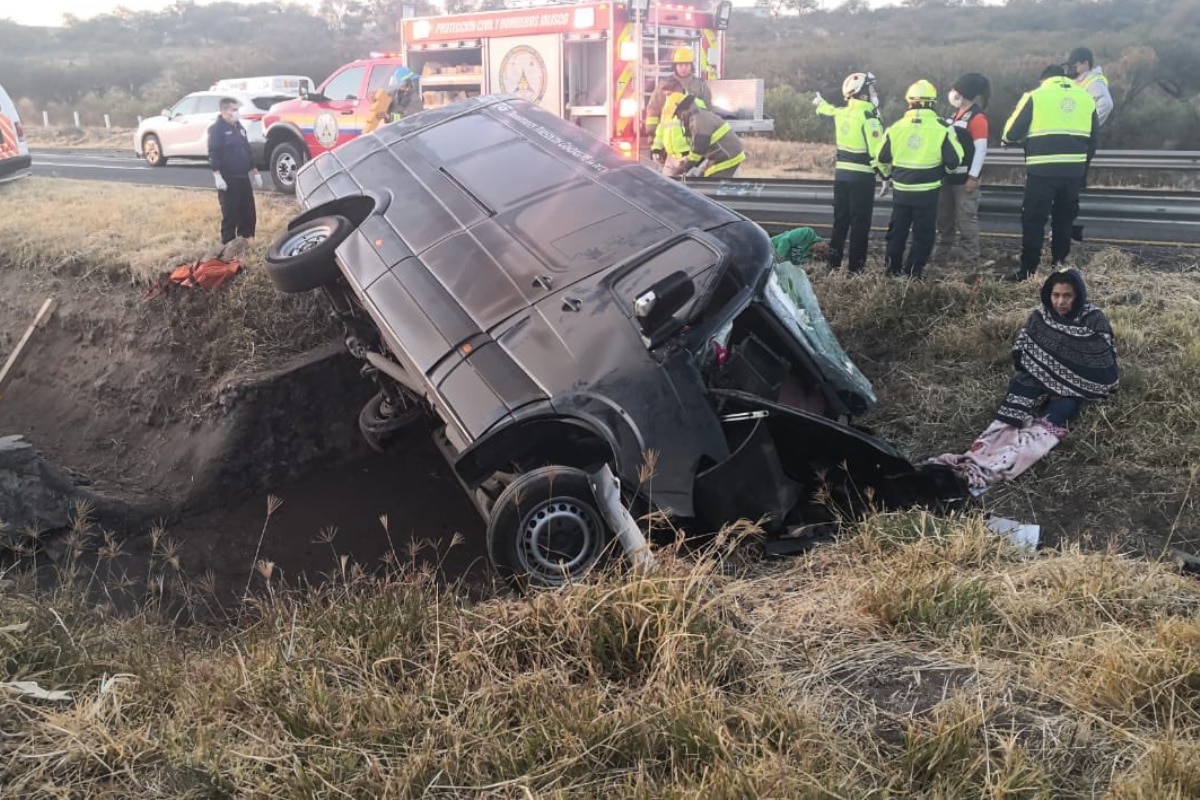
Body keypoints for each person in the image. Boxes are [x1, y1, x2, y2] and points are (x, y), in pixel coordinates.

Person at [930, 268, 1118, 494]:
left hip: (1073, 390)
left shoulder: (1093, 319)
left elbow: (1103, 365)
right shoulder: (1041, 316)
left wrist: (1065, 381)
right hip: (1038, 380)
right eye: (1055, 295)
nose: (1060, 302)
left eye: (1067, 296)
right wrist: (1045, 372)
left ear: (1078, 296)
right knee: (1015, 403)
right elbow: (1022, 351)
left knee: (1055, 417)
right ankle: (979, 459)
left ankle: (1003, 464)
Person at [1001, 65, 1098, 282]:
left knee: (1034, 220)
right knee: (1064, 220)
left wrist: (1009, 141)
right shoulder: (1085, 97)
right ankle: (1059, 266)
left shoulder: (1036, 96)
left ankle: (1028, 270)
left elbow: (1010, 133)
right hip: (1073, 171)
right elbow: (1094, 141)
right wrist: (1081, 167)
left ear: (1043, 79)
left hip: (1042, 171)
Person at [876, 79, 963, 279]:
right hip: (928, 191)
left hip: (901, 190)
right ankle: (914, 274)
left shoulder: (896, 127)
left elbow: (881, 157)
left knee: (897, 231)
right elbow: (954, 161)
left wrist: (888, 175)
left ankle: (891, 271)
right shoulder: (942, 128)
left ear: (909, 102)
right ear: (932, 103)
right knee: (923, 234)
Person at [813, 71, 885, 273]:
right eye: (871, 88)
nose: (874, 92)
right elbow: (877, 151)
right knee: (860, 226)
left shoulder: (842, 112)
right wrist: (885, 175)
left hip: (841, 175)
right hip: (862, 177)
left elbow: (826, 110)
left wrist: (819, 103)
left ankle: (832, 265)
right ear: (862, 91)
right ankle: (855, 269)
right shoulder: (869, 115)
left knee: (840, 222)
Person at [932, 72, 990, 269]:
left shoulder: (977, 117)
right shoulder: (954, 116)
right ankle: (940, 262)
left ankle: (970, 266)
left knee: (966, 224)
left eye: (955, 90)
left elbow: (981, 149)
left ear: (964, 92)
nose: (952, 94)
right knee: (944, 223)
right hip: (947, 179)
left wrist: (973, 177)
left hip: (964, 180)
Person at [207, 97, 261, 244]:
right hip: (228, 178)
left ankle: (246, 240)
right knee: (230, 213)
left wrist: (255, 171)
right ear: (224, 111)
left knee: (248, 212)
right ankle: (227, 243)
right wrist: (217, 175)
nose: (237, 113)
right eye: (234, 110)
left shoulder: (239, 127)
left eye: (237, 109)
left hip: (243, 176)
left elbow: (247, 150)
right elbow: (214, 152)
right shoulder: (217, 130)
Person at [644, 46, 712, 138]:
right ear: (675, 66)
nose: (684, 68)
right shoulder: (665, 85)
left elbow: (708, 109)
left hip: (693, 135)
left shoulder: (700, 85)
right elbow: (653, 108)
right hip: (669, 137)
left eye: (686, 65)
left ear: (691, 66)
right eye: (680, 65)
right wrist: (651, 133)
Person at [674, 93, 745, 179]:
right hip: (723, 155)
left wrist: (684, 166)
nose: (679, 118)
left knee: (710, 184)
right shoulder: (700, 116)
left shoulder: (699, 121)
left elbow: (698, 150)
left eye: (679, 115)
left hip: (727, 157)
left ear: (686, 110)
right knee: (703, 177)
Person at [650, 91, 702, 178]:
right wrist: (656, 148)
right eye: (666, 94)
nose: (667, 96)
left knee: (684, 186)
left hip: (685, 156)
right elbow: (661, 131)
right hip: (670, 157)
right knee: (666, 184)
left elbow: (698, 133)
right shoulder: (667, 107)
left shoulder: (691, 106)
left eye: (669, 94)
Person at [364, 66, 421, 135]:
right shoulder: (395, 94)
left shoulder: (414, 99)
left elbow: (409, 119)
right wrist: (373, 96)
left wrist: (389, 117)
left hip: (409, 133)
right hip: (395, 132)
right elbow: (383, 97)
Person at [1066, 46, 1113, 127]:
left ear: (1085, 63)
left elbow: (1106, 104)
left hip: (1081, 132)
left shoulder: (1094, 82)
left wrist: (1087, 125)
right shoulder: (1076, 81)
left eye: (1075, 66)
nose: (1072, 69)